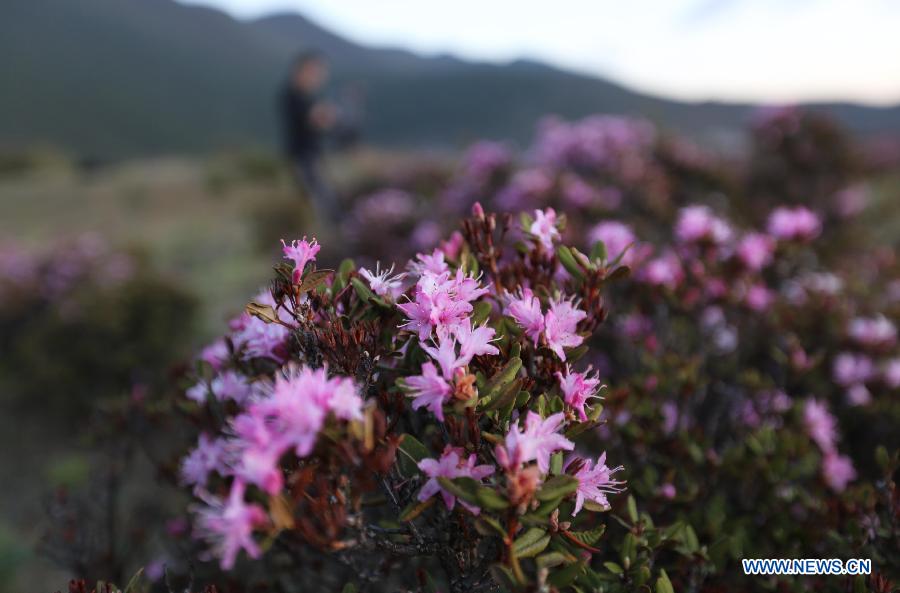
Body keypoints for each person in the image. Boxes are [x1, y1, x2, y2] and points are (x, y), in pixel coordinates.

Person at [280, 51, 339, 222]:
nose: (317, 78)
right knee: (320, 199)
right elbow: (317, 119)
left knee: (319, 197)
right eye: (314, 72)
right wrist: (326, 114)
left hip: (311, 155)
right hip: (302, 156)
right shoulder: (293, 95)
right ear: (301, 71)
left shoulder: (306, 96)